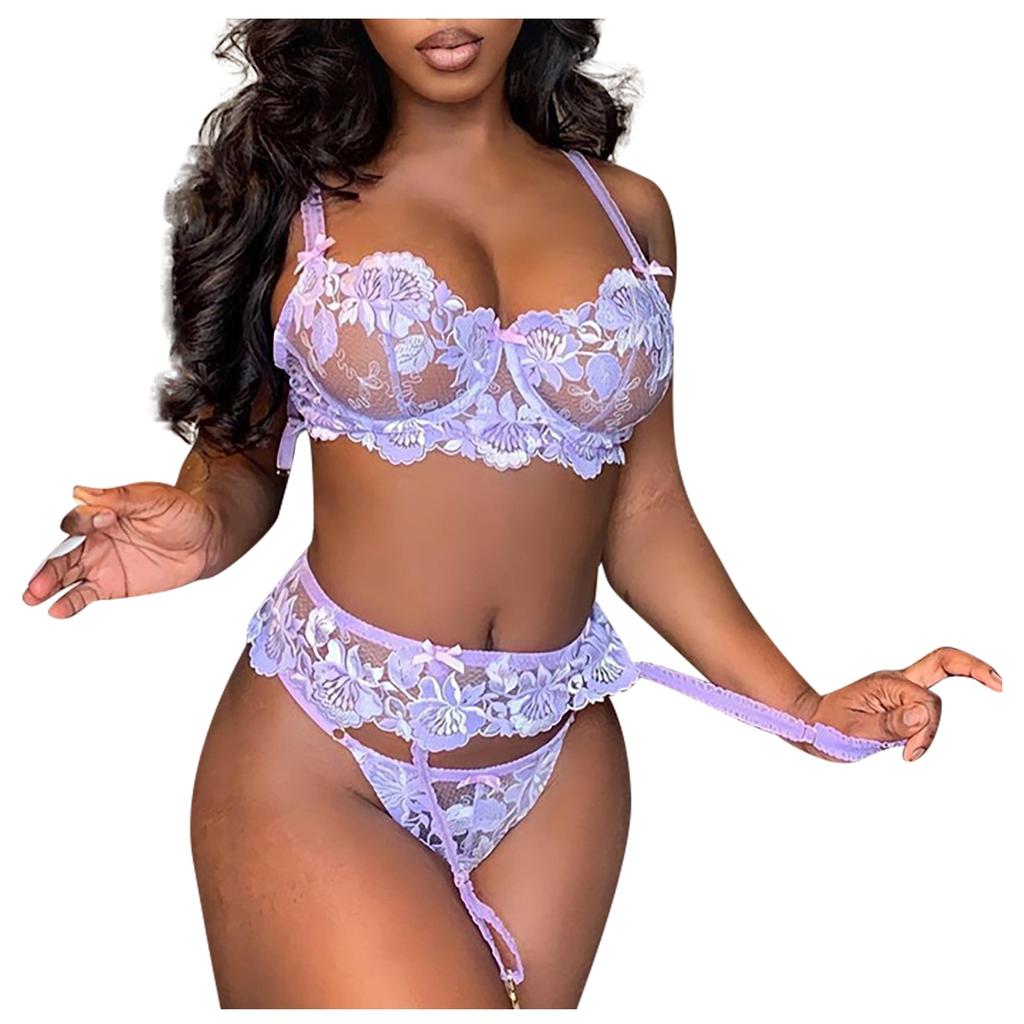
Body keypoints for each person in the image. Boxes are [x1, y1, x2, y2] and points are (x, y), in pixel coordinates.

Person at [20, 18, 1001, 1010]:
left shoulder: (630, 212)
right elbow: (241, 452)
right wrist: (204, 521)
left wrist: (801, 711)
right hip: (326, 744)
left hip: (560, 758)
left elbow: (645, 505)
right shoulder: (292, 200)